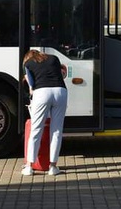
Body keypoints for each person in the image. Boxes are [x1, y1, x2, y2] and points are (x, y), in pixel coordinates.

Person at [22, 49, 68, 177]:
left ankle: (29, 166)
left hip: (42, 93)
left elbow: (31, 83)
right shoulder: (53, 58)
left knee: (36, 129)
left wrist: (32, 92)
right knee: (57, 130)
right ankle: (53, 166)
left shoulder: (27, 64)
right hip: (60, 91)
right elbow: (62, 74)